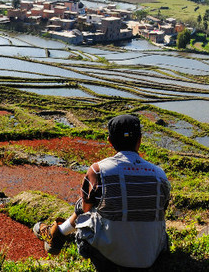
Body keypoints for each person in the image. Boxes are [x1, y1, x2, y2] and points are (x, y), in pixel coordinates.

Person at [33, 114, 171, 271]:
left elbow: (85, 210)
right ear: (140, 139)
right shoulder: (159, 174)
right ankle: (58, 233)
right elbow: (162, 209)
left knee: (86, 206)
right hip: (151, 255)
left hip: (111, 257)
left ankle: (58, 234)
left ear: (110, 141)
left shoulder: (99, 170)